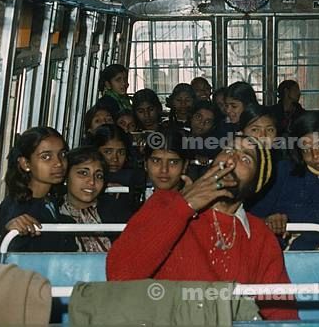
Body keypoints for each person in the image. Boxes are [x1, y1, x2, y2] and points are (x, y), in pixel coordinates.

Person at [106, 136, 298, 320]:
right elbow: (119, 275)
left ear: (256, 184)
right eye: (228, 149)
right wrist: (185, 205)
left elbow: (282, 315)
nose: (231, 160)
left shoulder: (260, 236)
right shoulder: (164, 203)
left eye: (245, 158)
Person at [249, 112, 319, 252]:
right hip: (269, 255)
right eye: (306, 148)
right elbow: (251, 219)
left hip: (313, 265)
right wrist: (268, 221)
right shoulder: (282, 172)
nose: (315, 154)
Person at [0, 127, 76, 252]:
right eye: (46, 157)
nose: (59, 163)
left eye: (62, 154)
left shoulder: (49, 199)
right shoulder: (17, 209)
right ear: (25, 164)